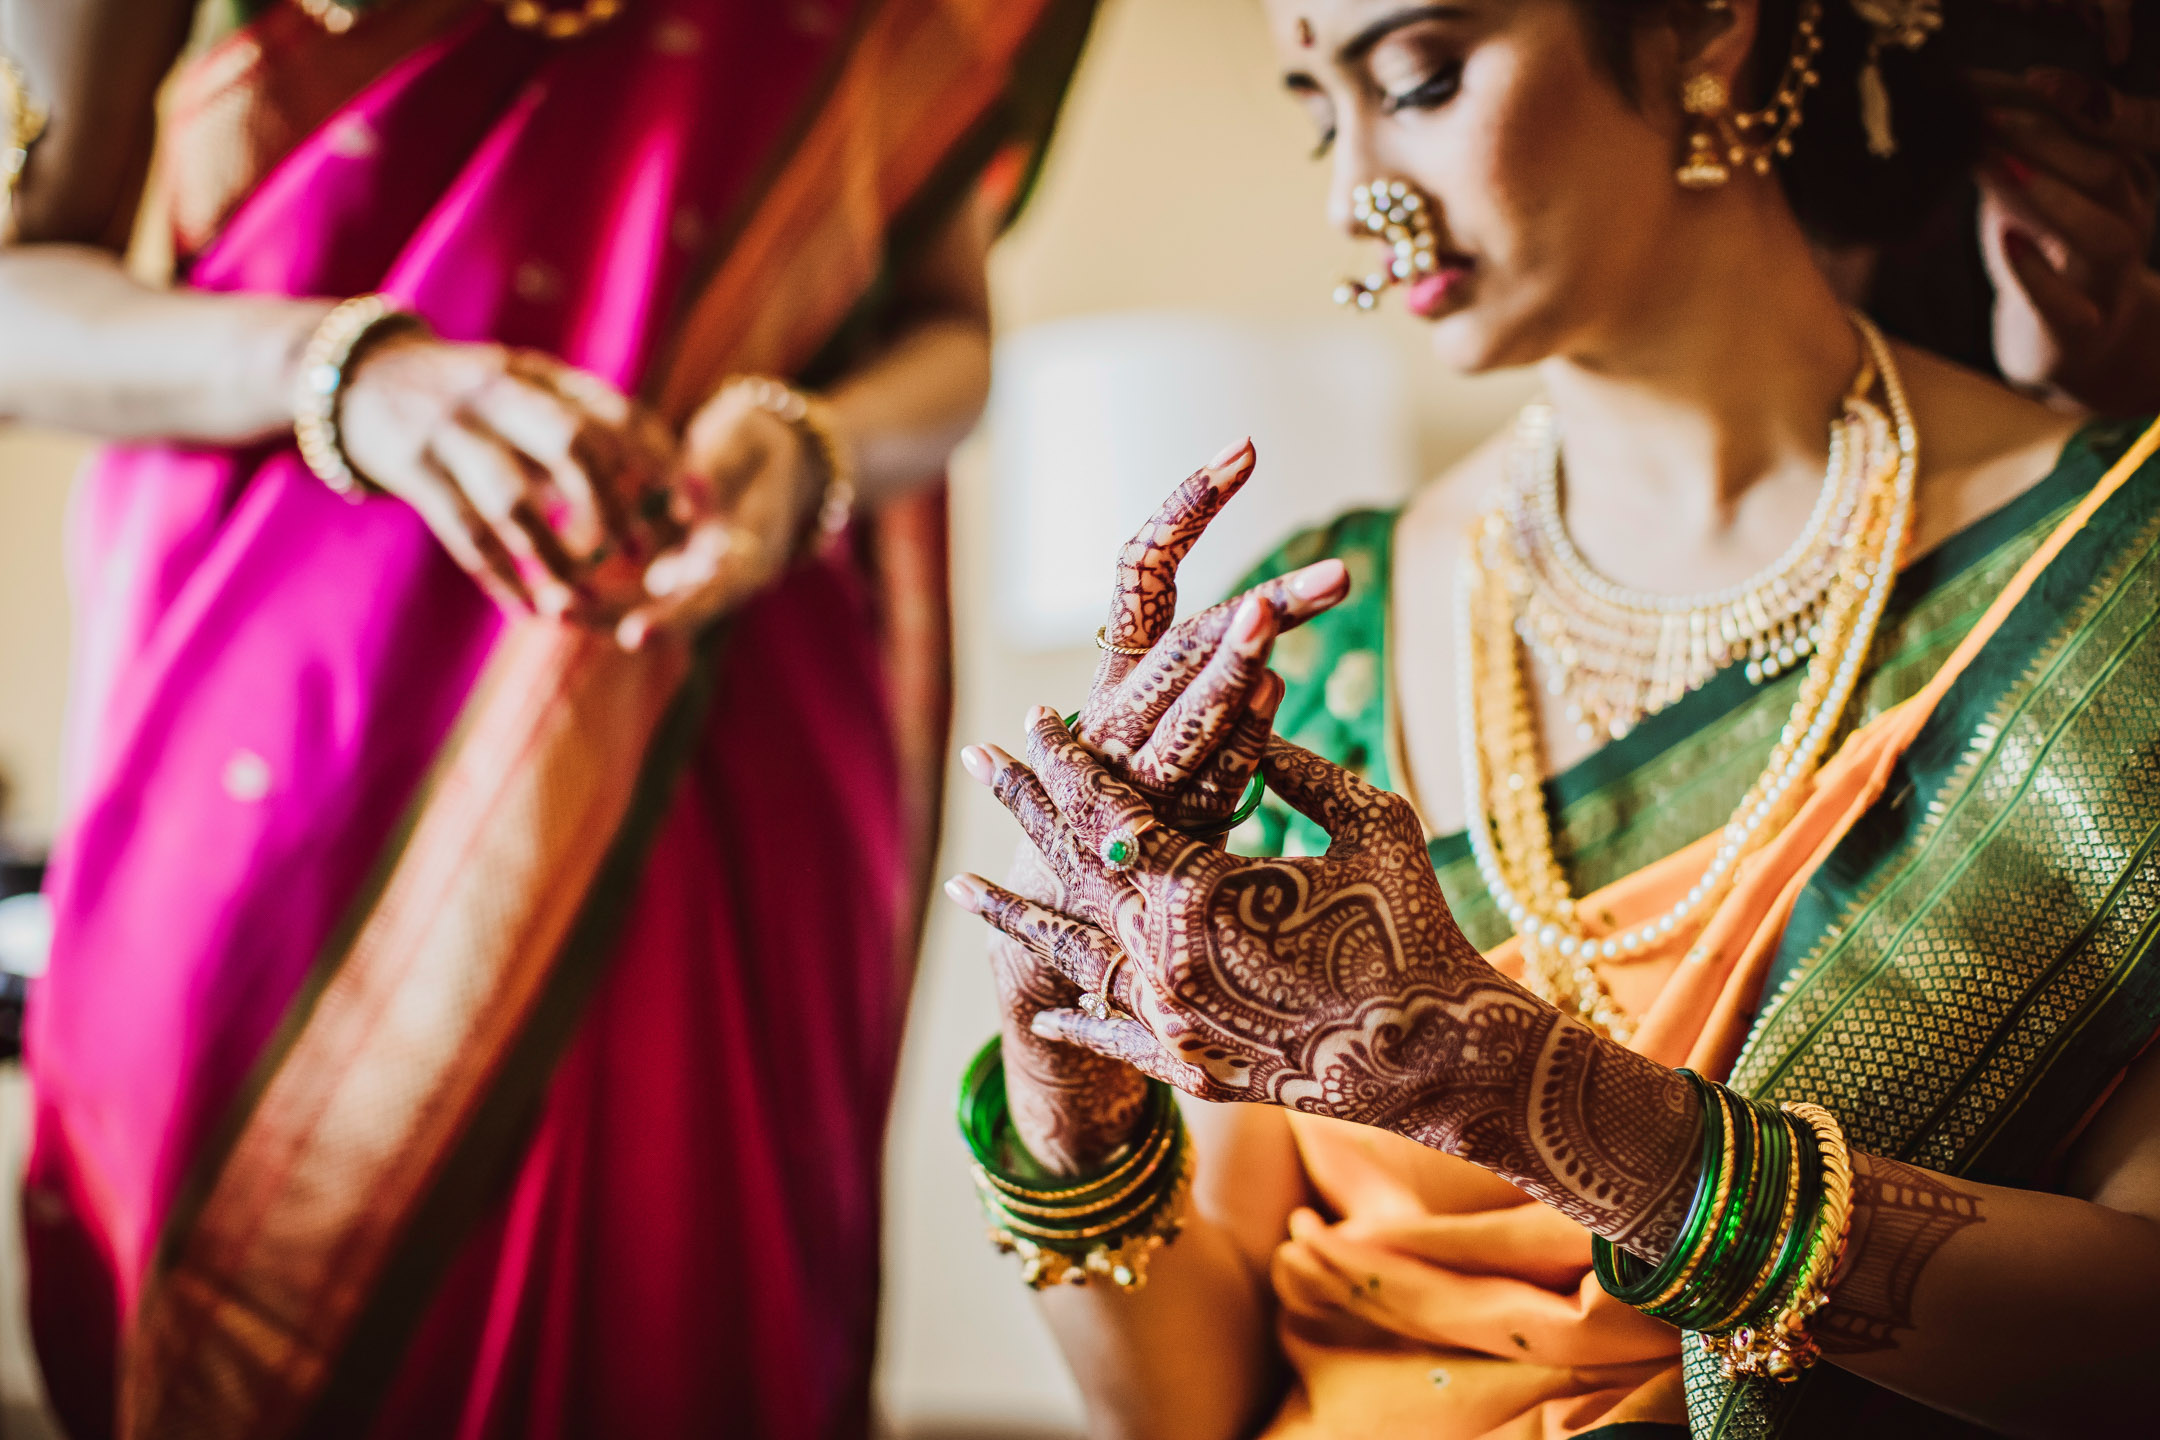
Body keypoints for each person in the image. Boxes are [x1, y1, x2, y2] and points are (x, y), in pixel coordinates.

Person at [941, 1, 2160, 1437]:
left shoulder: (2107, 599)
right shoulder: (1322, 637)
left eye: (1423, 77)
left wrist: (1543, 1105)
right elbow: (1188, 1411)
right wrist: (1067, 1112)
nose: (1356, 197)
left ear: (1708, 31)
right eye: (1323, 115)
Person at [0, 1, 1093, 1436]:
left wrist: (810, 443)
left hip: (719, 708)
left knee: (695, 1295)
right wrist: (348, 373)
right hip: (282, 718)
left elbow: (947, 332)